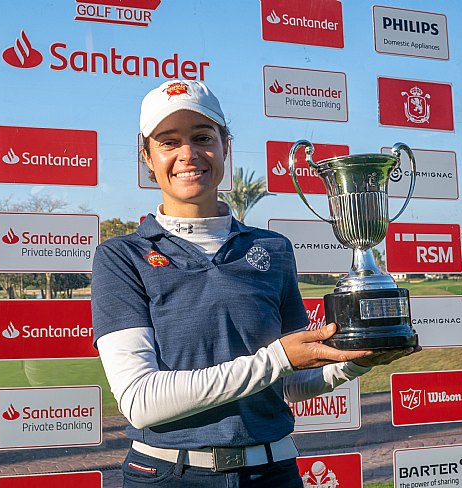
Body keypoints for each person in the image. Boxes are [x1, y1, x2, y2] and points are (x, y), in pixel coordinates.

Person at [91, 79, 419, 487]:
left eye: (203, 137)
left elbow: (288, 384)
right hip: (169, 475)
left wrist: (354, 362)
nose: (188, 154)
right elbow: (140, 401)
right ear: (147, 156)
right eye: (168, 141)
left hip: (272, 472)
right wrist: (276, 359)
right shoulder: (121, 257)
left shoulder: (272, 249)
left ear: (226, 146)